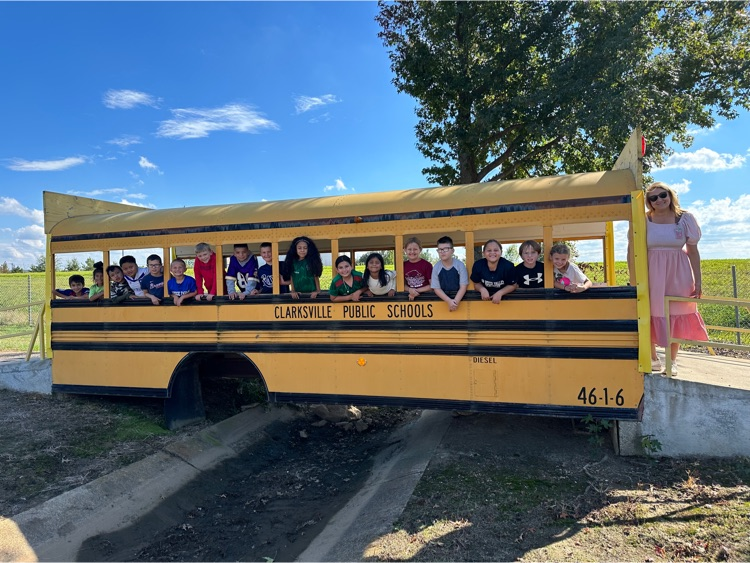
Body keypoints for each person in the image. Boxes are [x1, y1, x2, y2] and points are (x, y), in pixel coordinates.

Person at [641, 181, 708, 375]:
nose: (659, 200)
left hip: (679, 271)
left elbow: (693, 251)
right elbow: (633, 249)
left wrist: (698, 281)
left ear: (670, 196)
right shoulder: (643, 219)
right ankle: (653, 358)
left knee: (676, 311)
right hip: (652, 272)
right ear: (649, 202)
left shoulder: (684, 218)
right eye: (653, 198)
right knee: (650, 312)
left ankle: (672, 361)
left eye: (663, 195)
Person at [470, 239, 517, 303]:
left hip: (505, 301)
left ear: (501, 252)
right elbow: (476, 283)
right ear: (483, 253)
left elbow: (513, 285)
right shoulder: (478, 265)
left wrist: (500, 293)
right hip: (484, 301)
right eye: (489, 250)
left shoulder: (508, 266)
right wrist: (482, 289)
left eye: (496, 250)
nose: (492, 253)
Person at [431, 236, 469, 312]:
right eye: (440, 249)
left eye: (446, 249)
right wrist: (449, 301)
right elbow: (436, 288)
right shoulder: (436, 267)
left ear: (452, 251)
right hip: (443, 301)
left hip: (460, 301)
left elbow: (463, 286)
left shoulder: (460, 265)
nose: (442, 252)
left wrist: (455, 302)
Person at [403, 236, 432, 301]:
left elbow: (432, 285)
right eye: (409, 249)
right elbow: (401, 284)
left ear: (420, 250)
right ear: (405, 250)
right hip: (408, 297)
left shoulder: (427, 265)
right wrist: (410, 290)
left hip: (426, 298)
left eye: (415, 249)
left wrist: (416, 291)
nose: (412, 252)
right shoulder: (402, 265)